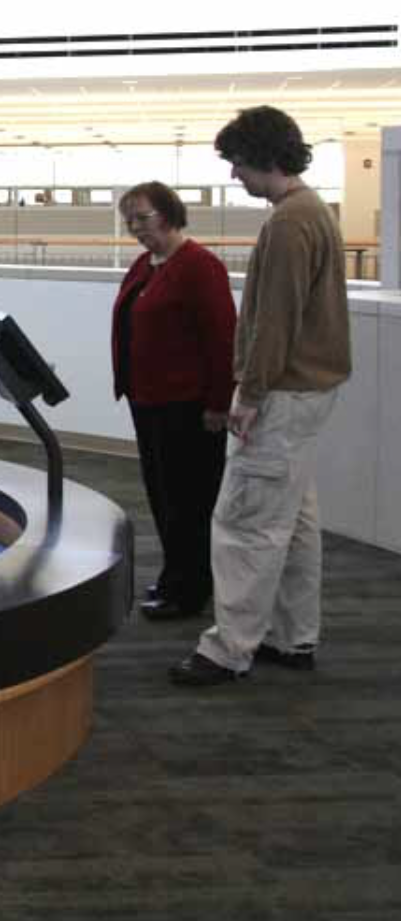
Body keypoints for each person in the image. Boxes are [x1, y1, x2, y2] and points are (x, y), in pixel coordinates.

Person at [170, 107, 351, 687]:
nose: (234, 175)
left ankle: (229, 650)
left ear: (265, 157)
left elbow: (275, 320)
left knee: (246, 522)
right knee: (293, 520)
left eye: (238, 163)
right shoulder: (312, 211)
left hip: (283, 394)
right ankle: (292, 637)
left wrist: (248, 393)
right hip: (308, 392)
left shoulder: (289, 223)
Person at [110, 181, 235, 622]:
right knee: (163, 497)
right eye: (129, 220)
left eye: (143, 217)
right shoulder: (146, 264)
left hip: (187, 405)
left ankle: (190, 589)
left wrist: (219, 403)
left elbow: (222, 339)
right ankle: (175, 575)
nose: (135, 227)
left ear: (169, 213)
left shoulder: (200, 266)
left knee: (189, 501)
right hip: (148, 400)